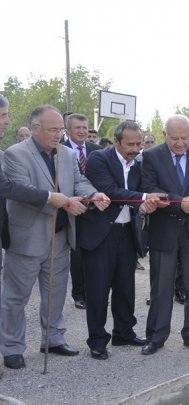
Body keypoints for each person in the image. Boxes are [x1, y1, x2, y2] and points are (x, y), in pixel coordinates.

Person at [0, 105, 110, 370]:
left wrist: (92, 194)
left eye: (61, 129)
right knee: (16, 297)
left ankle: (53, 338)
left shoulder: (68, 154)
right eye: (53, 129)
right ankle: (12, 348)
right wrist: (62, 202)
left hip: (60, 236)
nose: (59, 135)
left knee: (55, 293)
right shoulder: (15, 155)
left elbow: (79, 182)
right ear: (35, 129)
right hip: (27, 238)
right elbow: (23, 192)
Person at [79, 121, 166, 360]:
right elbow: (111, 191)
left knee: (125, 288)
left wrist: (147, 202)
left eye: (138, 144)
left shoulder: (139, 164)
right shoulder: (99, 160)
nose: (135, 148)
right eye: (130, 144)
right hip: (100, 234)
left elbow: (143, 193)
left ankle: (123, 332)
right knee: (98, 291)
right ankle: (97, 341)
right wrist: (145, 197)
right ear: (117, 141)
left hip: (127, 233)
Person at [140, 115, 189, 355]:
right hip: (165, 230)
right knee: (161, 288)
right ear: (165, 135)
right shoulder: (152, 156)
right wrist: (178, 203)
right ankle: (156, 337)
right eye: (174, 139)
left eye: (184, 138)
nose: (180, 143)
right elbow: (150, 189)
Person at [61, 113, 102, 310]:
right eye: (78, 128)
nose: (82, 131)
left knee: (94, 251)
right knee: (76, 253)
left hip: (95, 207)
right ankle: (79, 294)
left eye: (85, 128)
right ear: (67, 129)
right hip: (69, 206)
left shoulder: (97, 150)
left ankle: (95, 290)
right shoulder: (59, 149)